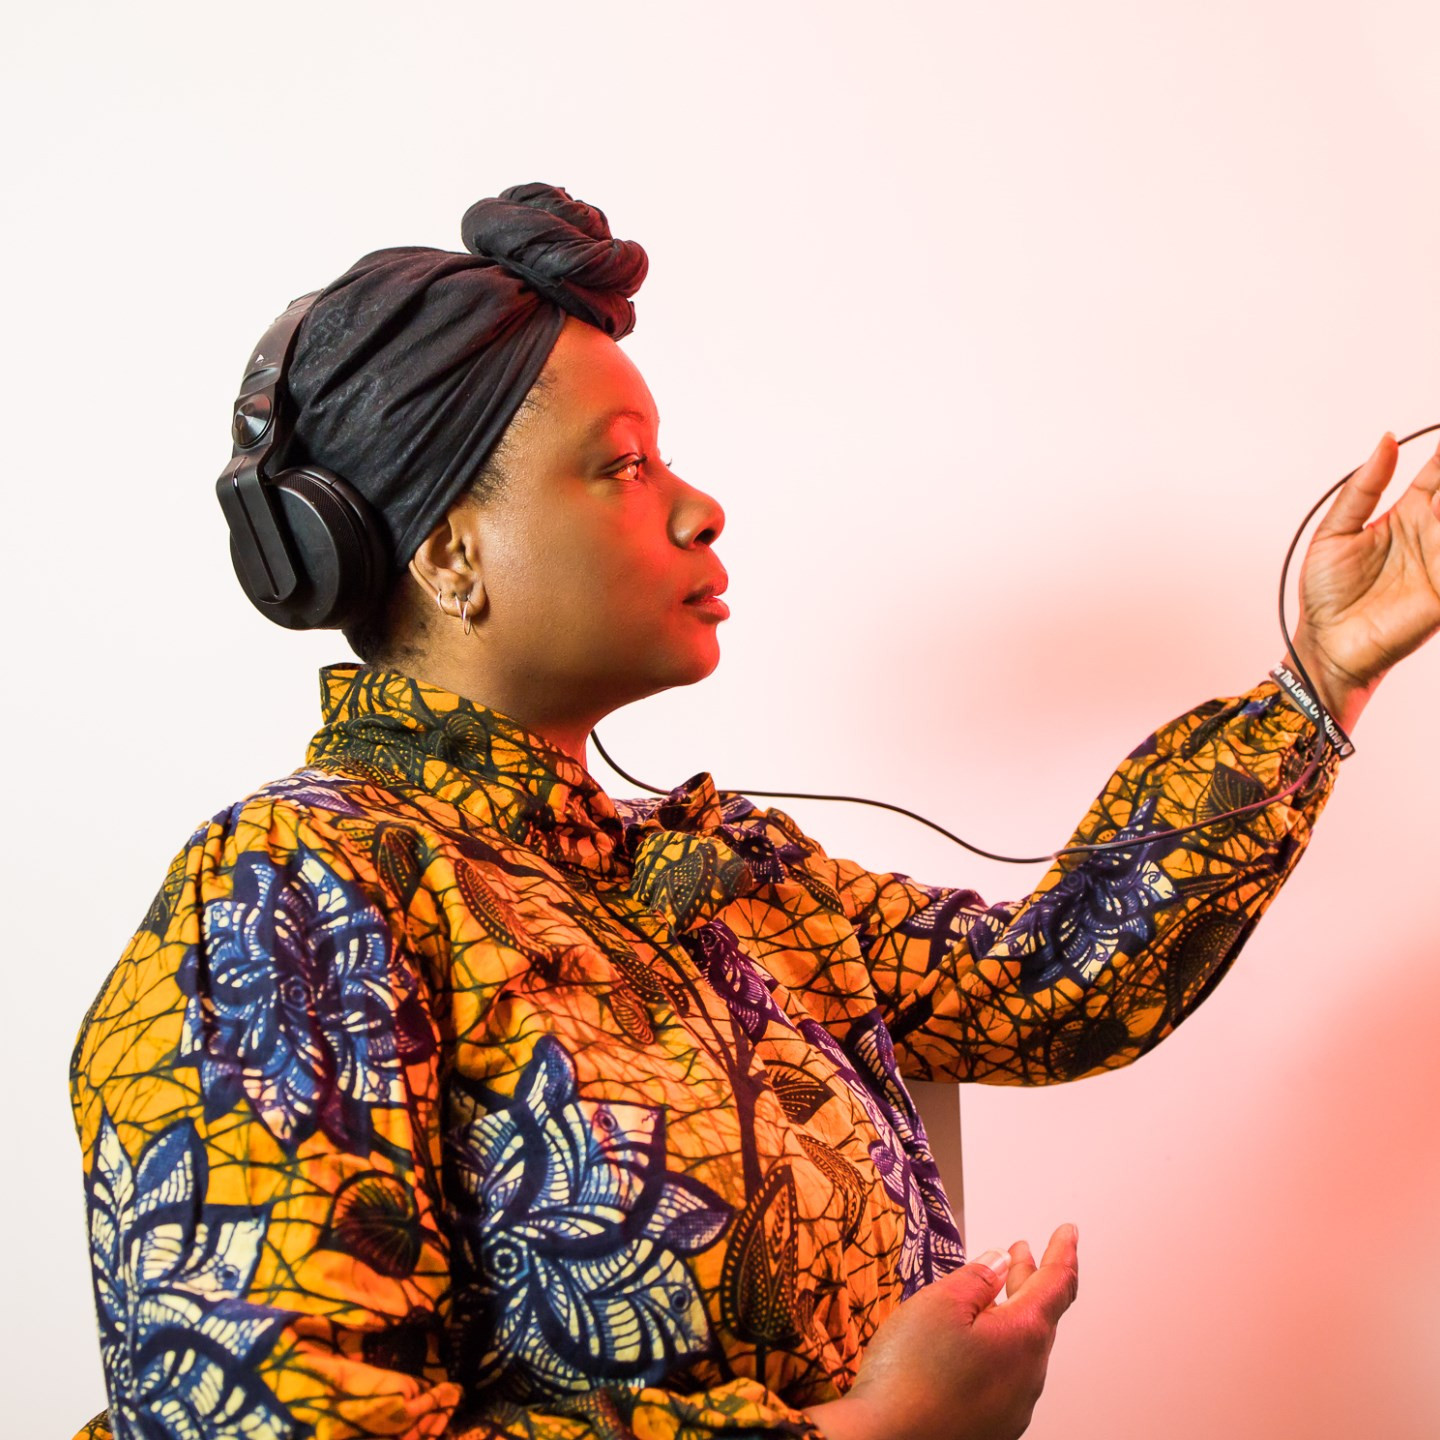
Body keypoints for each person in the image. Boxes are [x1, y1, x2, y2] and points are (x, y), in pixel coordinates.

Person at [68, 182, 1440, 1440]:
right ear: (449, 556)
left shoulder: (712, 879)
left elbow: (1054, 982)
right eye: (623, 465)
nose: (701, 508)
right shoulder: (285, 900)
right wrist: (870, 1433)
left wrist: (1323, 678)